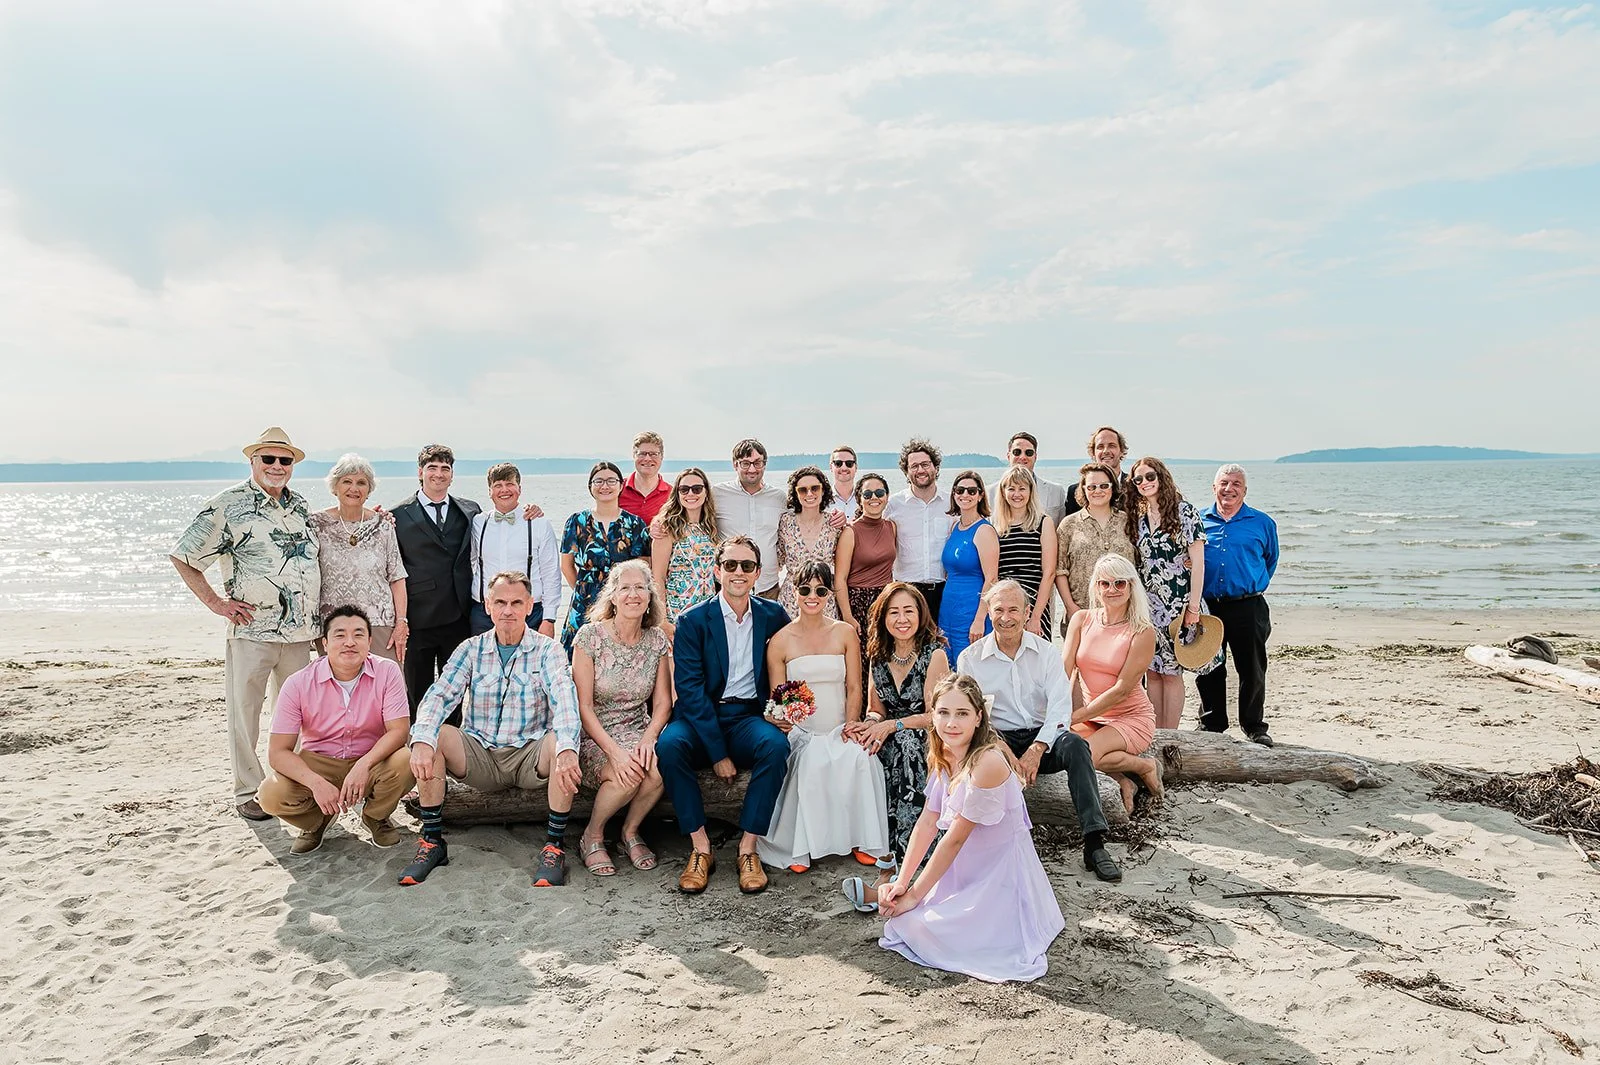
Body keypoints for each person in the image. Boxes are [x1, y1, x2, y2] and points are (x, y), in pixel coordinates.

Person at [869, 673, 1065, 983]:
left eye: (962, 713)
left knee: (916, 924)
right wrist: (903, 882)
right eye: (943, 712)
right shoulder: (944, 752)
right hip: (964, 868)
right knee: (903, 922)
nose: (951, 723)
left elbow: (955, 839)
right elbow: (928, 820)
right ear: (932, 715)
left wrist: (915, 896)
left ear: (978, 718)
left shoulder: (988, 761)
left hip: (999, 875)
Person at [171, 426, 319, 820]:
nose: (276, 466)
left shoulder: (301, 507)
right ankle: (247, 793)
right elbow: (185, 556)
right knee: (246, 715)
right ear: (252, 461)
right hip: (252, 632)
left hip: (300, 634)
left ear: (292, 466)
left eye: (284, 460)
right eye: (267, 459)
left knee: (296, 718)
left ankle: (289, 787)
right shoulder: (227, 505)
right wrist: (217, 603)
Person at [400, 573, 582, 888]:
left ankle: (554, 846)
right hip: (481, 757)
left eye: (515, 603)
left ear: (529, 606)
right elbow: (440, 695)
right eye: (500, 602)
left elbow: (565, 701)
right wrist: (421, 739)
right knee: (435, 735)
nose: (507, 610)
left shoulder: (548, 650)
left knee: (559, 742)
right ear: (487, 606)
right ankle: (432, 842)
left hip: (529, 757)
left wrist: (567, 749)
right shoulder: (471, 649)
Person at [957, 580, 1122, 881]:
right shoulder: (970, 659)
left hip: (1043, 735)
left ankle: (1095, 843)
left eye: (1013, 610)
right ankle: (990, 847)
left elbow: (1060, 708)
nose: (1005, 618)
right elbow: (975, 718)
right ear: (988, 612)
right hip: (998, 738)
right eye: (998, 610)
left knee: (1076, 745)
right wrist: (1004, 751)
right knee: (985, 752)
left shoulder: (1045, 652)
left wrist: (1037, 748)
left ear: (1027, 612)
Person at [656, 536, 792, 895]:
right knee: (669, 746)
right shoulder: (692, 620)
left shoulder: (773, 615)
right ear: (717, 571)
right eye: (730, 565)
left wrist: (789, 709)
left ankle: (748, 848)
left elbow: (792, 661)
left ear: (758, 573)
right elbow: (690, 690)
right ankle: (701, 848)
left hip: (748, 716)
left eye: (747, 566)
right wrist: (718, 754)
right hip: (701, 716)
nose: (738, 572)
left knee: (776, 747)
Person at [758, 562, 887, 872]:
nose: (812, 596)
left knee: (861, 759)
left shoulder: (844, 632)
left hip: (841, 724)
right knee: (812, 762)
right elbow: (778, 697)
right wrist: (787, 721)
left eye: (820, 590)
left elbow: (854, 686)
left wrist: (851, 724)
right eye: (805, 590)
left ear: (830, 593)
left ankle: (861, 838)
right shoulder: (779, 641)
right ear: (795, 592)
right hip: (803, 730)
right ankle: (802, 845)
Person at [256, 605, 416, 853]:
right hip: (319, 761)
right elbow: (278, 752)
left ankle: (375, 817)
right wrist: (315, 782)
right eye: (340, 635)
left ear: (370, 641)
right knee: (271, 793)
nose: (349, 642)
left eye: (359, 634)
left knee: (407, 759)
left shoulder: (387, 671)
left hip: (371, 759)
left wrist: (363, 765)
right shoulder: (298, 683)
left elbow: (399, 731)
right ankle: (316, 822)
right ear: (324, 643)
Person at [573, 560, 673, 876]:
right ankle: (593, 834)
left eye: (640, 587)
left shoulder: (656, 639)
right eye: (625, 587)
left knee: (658, 769)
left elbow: (663, 704)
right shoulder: (589, 637)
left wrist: (649, 738)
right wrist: (615, 754)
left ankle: (630, 831)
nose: (633, 594)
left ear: (649, 597)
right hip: (595, 732)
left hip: (637, 727)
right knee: (625, 773)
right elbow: (583, 707)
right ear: (613, 596)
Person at [845, 582, 949, 881]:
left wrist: (893, 725)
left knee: (907, 743)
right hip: (892, 731)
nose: (902, 619)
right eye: (894, 612)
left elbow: (936, 716)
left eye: (908, 611)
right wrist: (868, 724)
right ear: (883, 618)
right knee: (860, 746)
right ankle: (873, 842)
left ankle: (910, 848)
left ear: (920, 615)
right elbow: (876, 709)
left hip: (926, 733)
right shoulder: (878, 655)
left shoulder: (934, 654)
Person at [1126, 456, 1224, 729]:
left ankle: (1172, 734)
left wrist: (1193, 607)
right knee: (1153, 671)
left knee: (1172, 673)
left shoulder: (1184, 512)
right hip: (1149, 607)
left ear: (1161, 477)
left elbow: (1199, 563)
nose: (1145, 483)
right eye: (1138, 479)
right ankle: (1156, 735)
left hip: (1178, 603)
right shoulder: (1139, 517)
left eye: (1150, 476)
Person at [1061, 555, 1163, 812]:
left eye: (1120, 583)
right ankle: (1124, 781)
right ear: (1096, 586)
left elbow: (1121, 691)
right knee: (1061, 754)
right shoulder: (1082, 620)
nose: (1112, 590)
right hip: (1090, 718)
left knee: (1085, 757)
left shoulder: (1142, 631)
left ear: (1131, 587)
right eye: (1105, 583)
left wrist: (1075, 716)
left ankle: (1145, 766)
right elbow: (1064, 671)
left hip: (1130, 717)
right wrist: (1056, 712)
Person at [390, 444, 482, 719]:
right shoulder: (397, 515)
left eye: (445, 469)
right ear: (420, 472)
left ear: (452, 475)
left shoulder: (470, 510)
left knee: (454, 688)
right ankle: (420, 744)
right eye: (432, 468)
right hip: (418, 617)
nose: (439, 474)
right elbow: (392, 566)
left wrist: (530, 513)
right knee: (416, 689)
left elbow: (497, 528)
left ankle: (451, 744)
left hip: (458, 614)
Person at [1196, 464, 1280, 746]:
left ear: (1244, 490)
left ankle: (1254, 726)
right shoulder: (1198, 520)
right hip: (1208, 607)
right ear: (1214, 488)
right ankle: (1212, 722)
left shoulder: (1262, 522)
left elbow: (1270, 560)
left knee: (1252, 667)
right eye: (1223, 483)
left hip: (1248, 606)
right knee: (1209, 666)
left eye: (1235, 484)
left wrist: (1251, 582)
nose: (1228, 488)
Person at [309, 454, 409, 663]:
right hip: (333, 624)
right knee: (336, 690)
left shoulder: (383, 525)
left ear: (369, 490)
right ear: (335, 486)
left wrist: (401, 622)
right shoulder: (315, 524)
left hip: (379, 623)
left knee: (383, 687)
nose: (354, 488)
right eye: (347, 481)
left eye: (361, 483)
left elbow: (397, 577)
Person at [561, 461, 652, 656]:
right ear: (590, 487)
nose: (605, 486)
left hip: (623, 599)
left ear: (621, 486)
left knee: (620, 655)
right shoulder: (576, 521)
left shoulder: (635, 523)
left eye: (611, 481)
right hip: (585, 599)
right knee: (579, 657)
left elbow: (644, 566)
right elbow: (566, 565)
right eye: (599, 481)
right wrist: (583, 588)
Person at [469, 463, 561, 639]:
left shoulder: (539, 524)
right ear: (490, 491)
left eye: (510, 484)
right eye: (498, 485)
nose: (504, 490)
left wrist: (549, 619)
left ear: (519, 488)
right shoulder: (478, 522)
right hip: (484, 613)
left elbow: (551, 573)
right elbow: (469, 561)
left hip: (530, 613)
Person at [1054, 462, 1137, 625]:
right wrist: (1071, 608)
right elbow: (1060, 570)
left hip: (1125, 615)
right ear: (1083, 489)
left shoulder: (1127, 522)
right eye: (1091, 487)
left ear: (1112, 488)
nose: (1098, 491)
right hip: (1082, 614)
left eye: (1104, 486)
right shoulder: (1068, 524)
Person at [711, 439, 788, 600]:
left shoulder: (779, 498)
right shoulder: (717, 494)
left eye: (757, 463)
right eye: (745, 463)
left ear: (765, 464)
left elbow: (803, 520)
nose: (752, 469)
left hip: (768, 587)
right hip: (729, 586)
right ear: (735, 464)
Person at [938, 470, 998, 662]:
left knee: (971, 666)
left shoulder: (984, 530)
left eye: (972, 491)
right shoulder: (955, 527)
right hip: (948, 610)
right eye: (960, 490)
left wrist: (980, 619)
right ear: (954, 494)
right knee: (949, 666)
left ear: (981, 495)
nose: (965, 495)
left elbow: (992, 578)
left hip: (971, 611)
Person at [992, 465, 1059, 638]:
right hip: (1003, 605)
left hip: (1033, 604)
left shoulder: (1043, 523)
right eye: (1011, 488)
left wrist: (1035, 616)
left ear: (1031, 491)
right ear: (1003, 492)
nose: (1017, 494)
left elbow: (1049, 573)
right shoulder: (996, 527)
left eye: (1022, 488)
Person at [886, 438, 950, 618]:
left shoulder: (952, 503)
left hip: (943, 592)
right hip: (906, 593)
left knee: (942, 644)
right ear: (906, 472)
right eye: (914, 466)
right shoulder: (893, 505)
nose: (920, 470)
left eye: (925, 464)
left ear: (936, 468)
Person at [651, 467, 721, 627]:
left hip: (708, 610)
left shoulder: (710, 527)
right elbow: (658, 578)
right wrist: (662, 621)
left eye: (697, 489)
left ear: (706, 492)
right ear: (677, 493)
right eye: (684, 489)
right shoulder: (667, 528)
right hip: (678, 613)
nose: (690, 494)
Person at [834, 472, 896, 645]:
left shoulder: (891, 527)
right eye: (867, 494)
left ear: (887, 496)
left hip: (886, 600)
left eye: (879, 493)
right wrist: (847, 616)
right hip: (859, 603)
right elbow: (840, 578)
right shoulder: (850, 532)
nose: (873, 498)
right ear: (859, 499)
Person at [776, 466, 842, 620]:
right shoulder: (785, 521)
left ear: (823, 490)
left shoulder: (834, 524)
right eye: (803, 490)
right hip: (792, 598)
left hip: (823, 596)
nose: (810, 494)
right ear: (796, 493)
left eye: (815, 488)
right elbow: (777, 558)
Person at [989, 432, 1069, 526]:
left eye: (1029, 453)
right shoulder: (990, 492)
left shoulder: (1056, 491)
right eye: (1017, 452)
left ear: (1035, 457)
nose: (1022, 457)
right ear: (1008, 456)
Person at [1063, 425, 1132, 517]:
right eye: (1100, 447)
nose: (1106, 451)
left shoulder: (1135, 486)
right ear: (1093, 453)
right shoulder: (1075, 491)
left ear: (1121, 451)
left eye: (1112, 446)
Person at [619, 431, 672, 524]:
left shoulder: (672, 494)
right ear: (634, 455)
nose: (647, 459)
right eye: (642, 454)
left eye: (653, 454)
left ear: (662, 456)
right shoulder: (618, 489)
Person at [827, 445, 860, 521]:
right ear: (831, 467)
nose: (844, 468)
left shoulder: (866, 499)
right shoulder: (821, 500)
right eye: (838, 463)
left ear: (856, 467)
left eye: (849, 463)